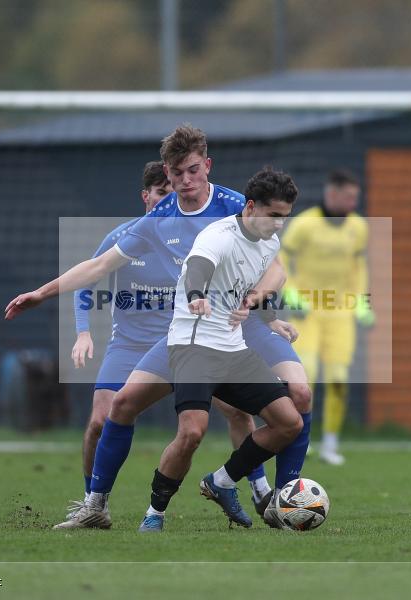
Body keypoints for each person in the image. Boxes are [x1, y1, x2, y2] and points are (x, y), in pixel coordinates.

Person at [5, 125, 312, 529]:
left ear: (207, 166)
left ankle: (283, 499)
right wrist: (41, 293)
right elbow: (99, 266)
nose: (186, 181)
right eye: (176, 173)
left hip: (242, 326)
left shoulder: (238, 206)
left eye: (193, 170)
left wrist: (260, 307)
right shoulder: (159, 219)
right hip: (187, 334)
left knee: (299, 393)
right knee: (122, 406)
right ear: (166, 173)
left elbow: (276, 269)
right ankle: (96, 505)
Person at [66, 161, 270, 518]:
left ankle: (260, 490)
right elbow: (88, 279)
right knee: (100, 420)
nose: (168, 199)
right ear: (145, 196)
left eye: (171, 192)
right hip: (129, 346)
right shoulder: (125, 237)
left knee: (237, 412)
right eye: (161, 192)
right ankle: (93, 503)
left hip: (184, 342)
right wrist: (83, 331)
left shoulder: (193, 241)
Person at [138, 167, 301, 532]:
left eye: (285, 217)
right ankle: (154, 513)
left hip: (232, 349)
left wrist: (271, 319)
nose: (279, 224)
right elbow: (198, 267)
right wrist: (197, 295)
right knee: (192, 433)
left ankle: (222, 482)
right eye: (273, 215)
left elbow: (249, 282)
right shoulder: (219, 235)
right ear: (251, 207)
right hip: (193, 346)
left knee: (289, 422)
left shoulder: (269, 243)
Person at [280, 169, 373, 466]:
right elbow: (282, 258)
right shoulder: (304, 224)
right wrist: (291, 293)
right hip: (307, 311)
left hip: (340, 312)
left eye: (355, 198)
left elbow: (359, 267)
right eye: (348, 197)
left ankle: (331, 443)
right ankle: (299, 437)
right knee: (305, 375)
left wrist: (362, 302)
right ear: (332, 194)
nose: (352, 203)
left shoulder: (358, 227)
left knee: (338, 379)